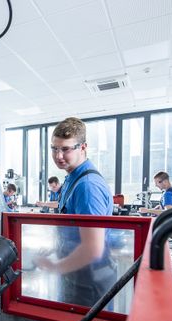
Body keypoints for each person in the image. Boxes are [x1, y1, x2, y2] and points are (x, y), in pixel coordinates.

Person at [34, 117, 116, 306]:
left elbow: (92, 248)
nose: (58, 156)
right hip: (78, 276)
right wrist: (57, 245)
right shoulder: (72, 178)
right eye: (54, 148)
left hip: (88, 284)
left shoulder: (87, 186)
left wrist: (54, 267)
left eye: (65, 149)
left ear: (83, 147)